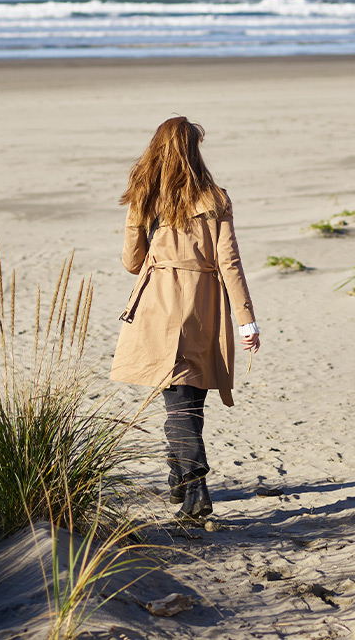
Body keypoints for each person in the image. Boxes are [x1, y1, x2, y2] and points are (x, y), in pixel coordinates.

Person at [111, 117, 260, 520]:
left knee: (178, 401)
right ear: (194, 152)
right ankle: (179, 481)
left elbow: (131, 262)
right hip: (203, 306)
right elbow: (229, 262)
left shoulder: (146, 197)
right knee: (187, 398)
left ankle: (194, 489)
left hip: (158, 305)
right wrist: (246, 319)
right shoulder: (215, 198)